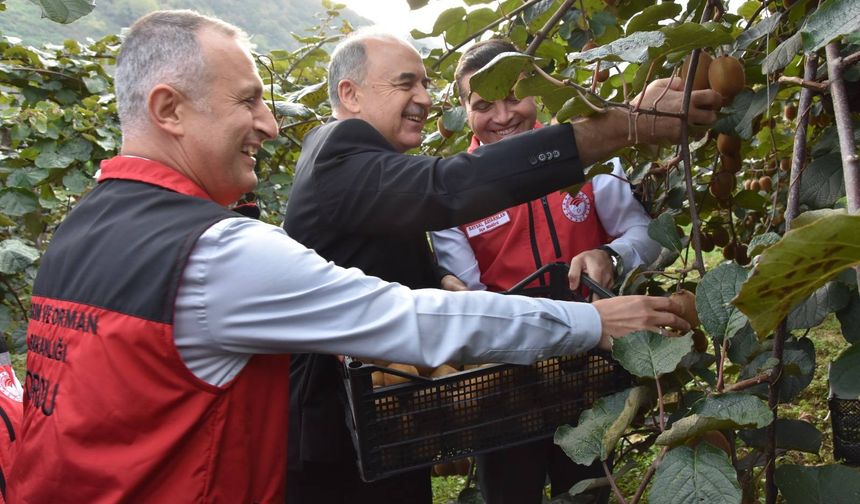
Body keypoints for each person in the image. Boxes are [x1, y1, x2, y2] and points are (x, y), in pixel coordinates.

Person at [8, 10, 691, 503]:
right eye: (248, 100)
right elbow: (436, 235)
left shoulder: (84, 227)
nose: (270, 124)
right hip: (334, 442)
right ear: (170, 110)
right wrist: (625, 127)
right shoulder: (226, 246)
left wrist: (446, 279)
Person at [283, 29, 720, 503]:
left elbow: (370, 252)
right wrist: (626, 124)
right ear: (349, 94)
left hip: (394, 427)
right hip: (341, 437)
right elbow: (450, 185)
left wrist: (435, 277)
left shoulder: (368, 166)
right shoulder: (339, 149)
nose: (424, 99)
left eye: (425, 85)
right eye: (406, 84)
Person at [430, 39, 662, 504]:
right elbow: (470, 296)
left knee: (589, 488)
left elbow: (648, 237)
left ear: (538, 88)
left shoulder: (585, 155)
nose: (502, 116)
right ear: (463, 112)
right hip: (506, 379)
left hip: (592, 368)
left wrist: (609, 255)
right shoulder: (450, 193)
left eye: (513, 96)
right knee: (510, 490)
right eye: (482, 105)